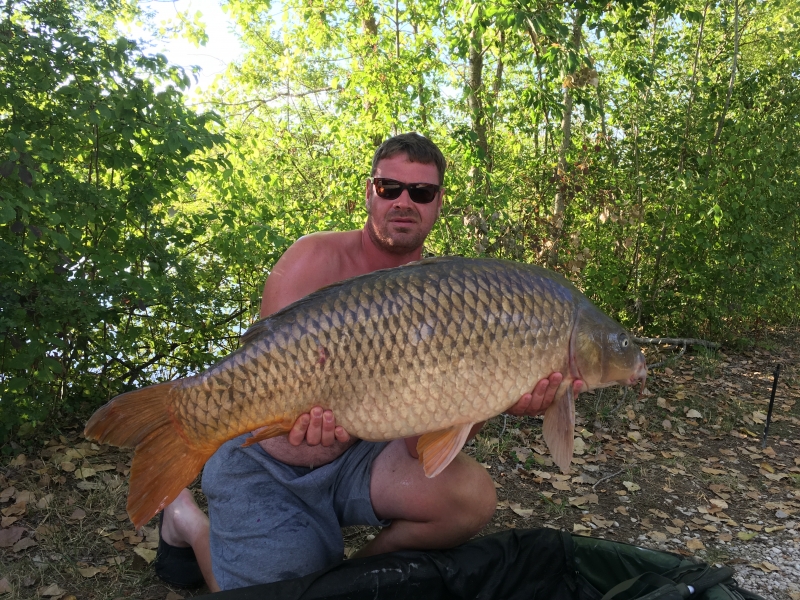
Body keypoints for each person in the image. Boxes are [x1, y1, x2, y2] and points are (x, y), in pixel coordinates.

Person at [154, 133, 585, 592]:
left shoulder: (447, 296)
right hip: (266, 461)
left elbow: (422, 441)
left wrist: (493, 397)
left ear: (438, 203)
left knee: (469, 498)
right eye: (389, 188)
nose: (404, 201)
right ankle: (187, 521)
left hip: (355, 455)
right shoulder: (311, 260)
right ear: (369, 192)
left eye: (421, 192)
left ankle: (344, 581)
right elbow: (261, 375)